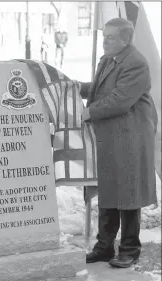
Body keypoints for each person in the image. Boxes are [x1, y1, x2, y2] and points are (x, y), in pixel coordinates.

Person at [80, 18, 158, 268]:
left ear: (125, 40)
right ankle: (104, 247)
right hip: (112, 138)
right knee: (109, 190)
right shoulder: (108, 59)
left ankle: (129, 250)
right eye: (104, 36)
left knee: (128, 195)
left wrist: (89, 112)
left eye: (110, 37)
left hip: (130, 138)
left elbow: (120, 99)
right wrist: (76, 87)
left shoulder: (135, 63)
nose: (104, 41)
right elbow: (101, 89)